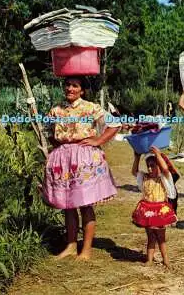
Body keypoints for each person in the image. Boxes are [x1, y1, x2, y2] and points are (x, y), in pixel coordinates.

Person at [41, 76, 123, 260]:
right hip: (63, 160)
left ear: (82, 90)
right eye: (68, 85)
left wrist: (99, 140)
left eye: (75, 85)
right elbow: (47, 130)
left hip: (84, 158)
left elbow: (115, 124)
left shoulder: (91, 108)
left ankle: (86, 250)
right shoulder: (56, 109)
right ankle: (70, 246)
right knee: (68, 205)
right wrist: (60, 147)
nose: (70, 88)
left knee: (85, 204)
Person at [131, 146, 177, 267]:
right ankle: (149, 260)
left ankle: (165, 259)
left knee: (161, 237)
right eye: (149, 166)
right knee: (150, 236)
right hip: (147, 210)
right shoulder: (144, 177)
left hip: (160, 211)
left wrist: (158, 155)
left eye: (153, 165)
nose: (150, 168)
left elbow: (166, 170)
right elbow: (134, 172)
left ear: (158, 166)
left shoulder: (162, 178)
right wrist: (137, 157)